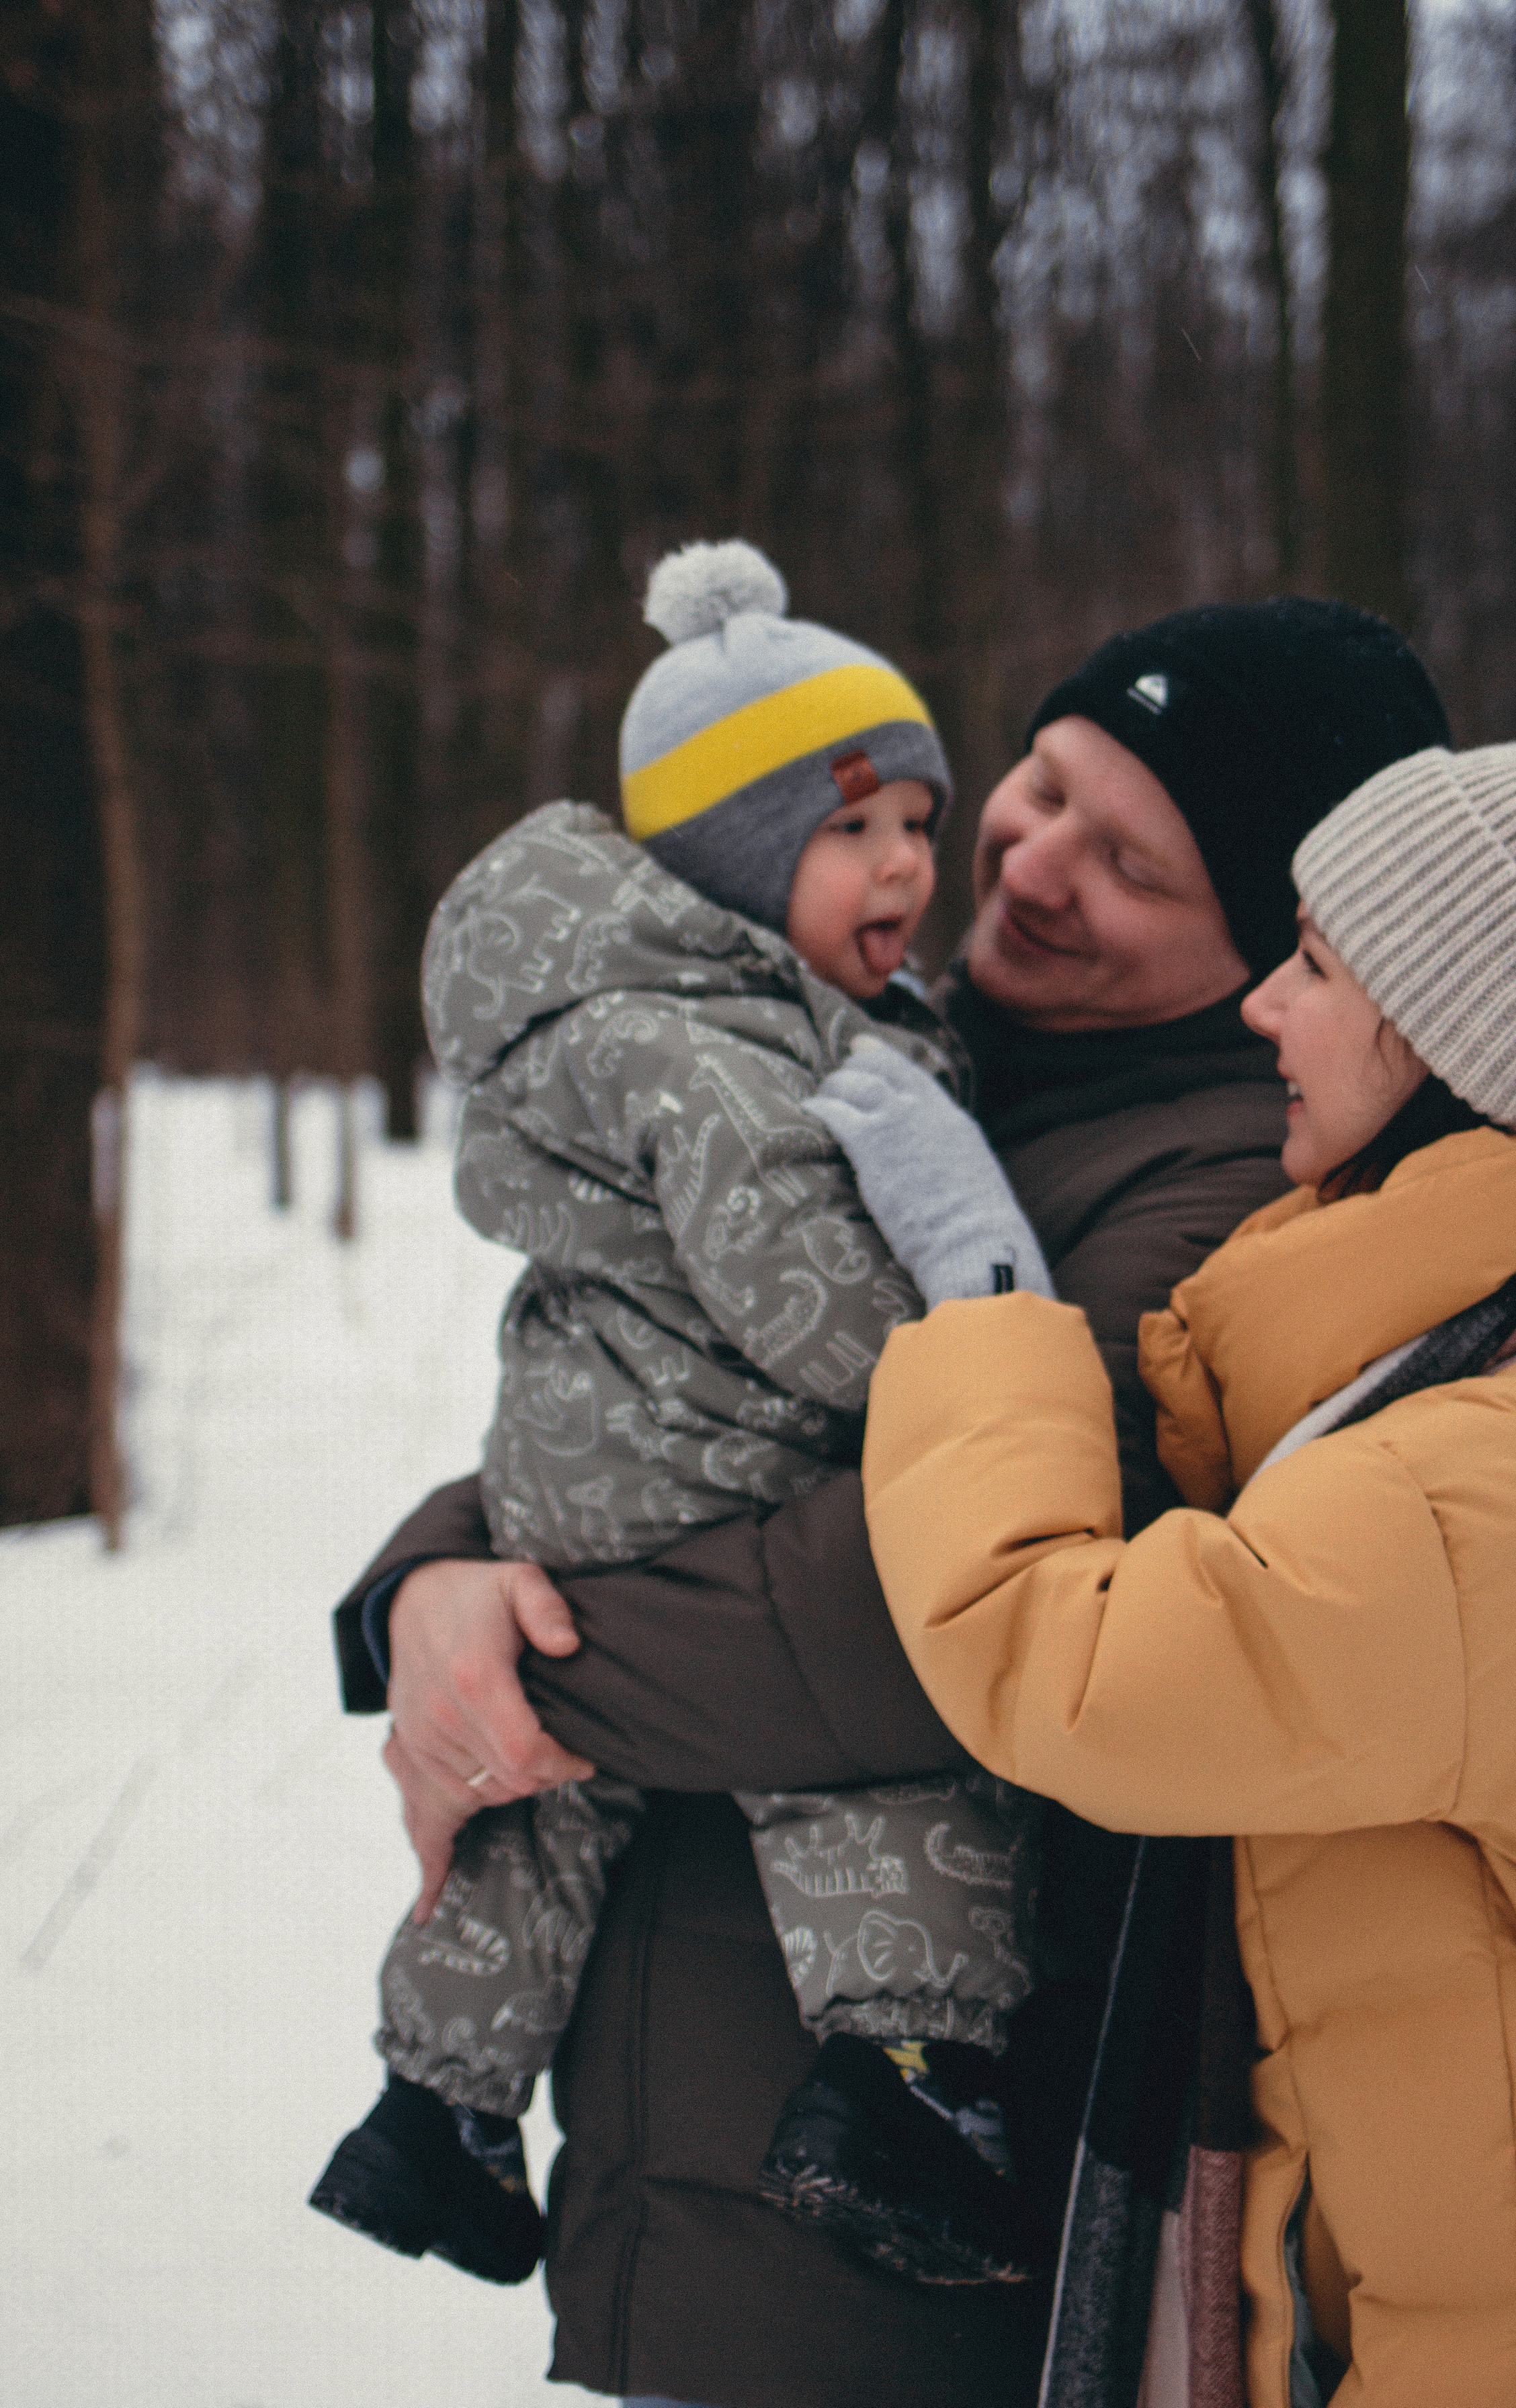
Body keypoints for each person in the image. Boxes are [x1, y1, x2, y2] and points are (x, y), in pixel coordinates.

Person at [330, 597, 1452, 2407]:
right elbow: (663, 1399)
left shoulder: (1227, 1205)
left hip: (882, 2200)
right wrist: (431, 1579)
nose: (1024, 856)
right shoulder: (901, 1036)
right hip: (701, 2128)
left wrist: (524, 1663)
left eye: (1134, 864)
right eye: (1042, 784)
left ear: (1270, 949)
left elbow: (914, 1601)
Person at [833, 712, 1516, 2406]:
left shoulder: (1485, 1489)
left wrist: (989, 1301)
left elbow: (1062, 1665)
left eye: (1312, 963)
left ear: (1450, 1034)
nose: (1261, 1005)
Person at [312, 542, 1050, 2291]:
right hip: (708, 1478)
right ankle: (908, 2082)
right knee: (864, 1768)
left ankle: (443, 2104)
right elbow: (794, 1290)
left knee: (540, 1806)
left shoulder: (688, 1016)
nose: (907, 869)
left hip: (575, 1480)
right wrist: (944, 1354)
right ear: (731, 856)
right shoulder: (717, 1060)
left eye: (920, 827)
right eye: (850, 829)